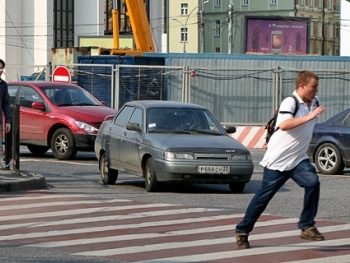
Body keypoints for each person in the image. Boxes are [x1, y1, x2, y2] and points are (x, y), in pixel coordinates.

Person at [235, 70, 326, 249]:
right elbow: (284, 125)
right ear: (302, 86)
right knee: (263, 198)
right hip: (278, 160)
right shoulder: (290, 102)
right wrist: (310, 116)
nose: (316, 90)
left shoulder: (314, 102)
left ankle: (307, 226)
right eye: (313, 87)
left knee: (313, 183)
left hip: (298, 159)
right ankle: (242, 231)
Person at [0, 59, 12, 158]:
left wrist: (8, 120)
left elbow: (6, 103)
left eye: (1, 68)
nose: (0, 70)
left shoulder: (3, 85)